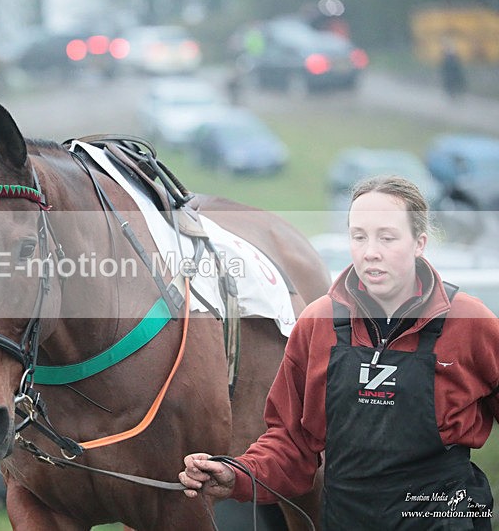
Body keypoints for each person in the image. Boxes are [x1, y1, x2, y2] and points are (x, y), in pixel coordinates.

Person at [180, 176, 499, 529]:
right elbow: (291, 445)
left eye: (387, 237)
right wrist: (236, 475)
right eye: (359, 236)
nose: (370, 251)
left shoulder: (470, 323)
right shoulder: (317, 324)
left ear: (419, 243)